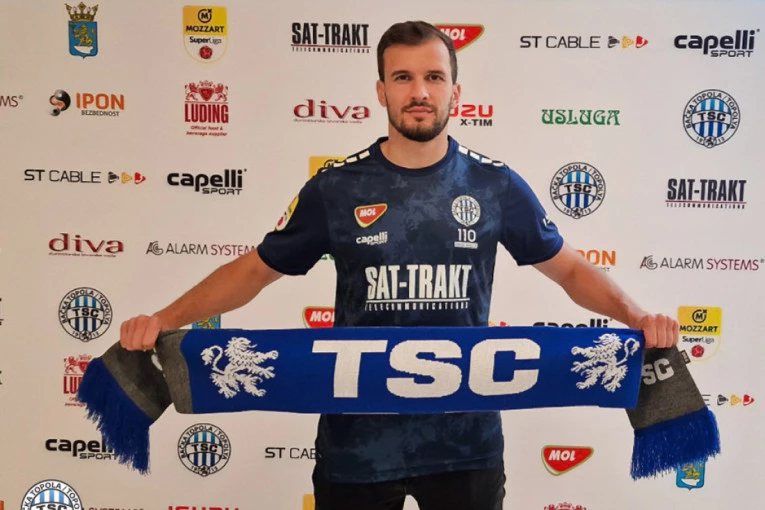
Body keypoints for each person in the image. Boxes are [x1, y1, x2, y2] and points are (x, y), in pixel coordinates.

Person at [120, 21, 679, 510]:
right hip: (356, 448)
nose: (419, 92)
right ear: (381, 90)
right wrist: (165, 319)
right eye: (404, 77)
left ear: (455, 92)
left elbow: (571, 270)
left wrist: (636, 316)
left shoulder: (494, 185)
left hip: (465, 445)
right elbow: (255, 271)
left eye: (434, 77)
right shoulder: (336, 188)